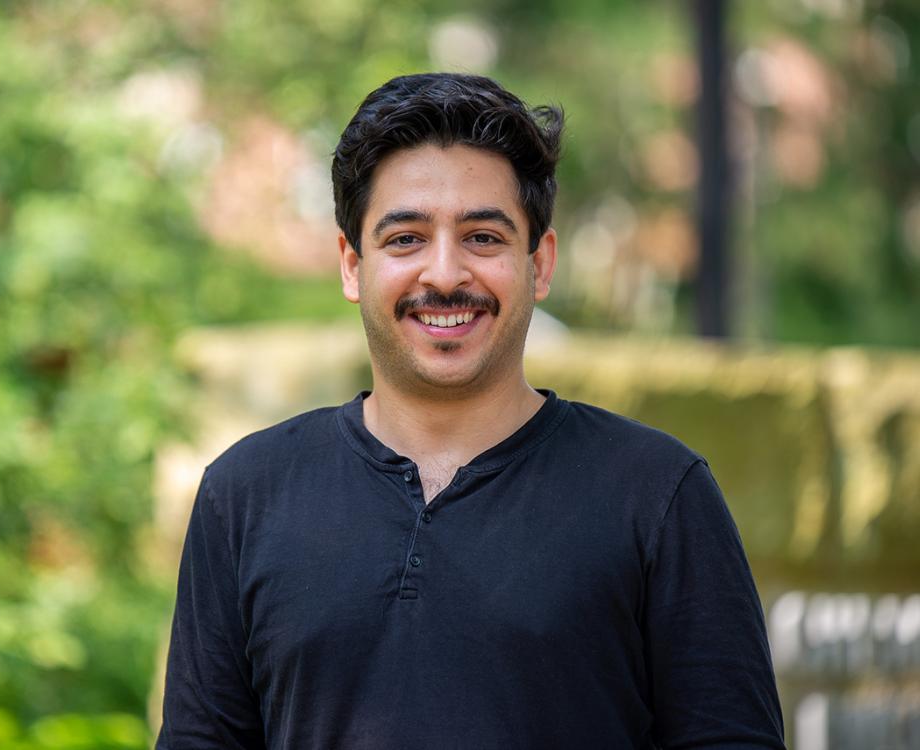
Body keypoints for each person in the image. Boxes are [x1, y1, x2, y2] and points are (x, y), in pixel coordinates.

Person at [157, 73, 785, 749]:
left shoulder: (658, 495)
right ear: (351, 264)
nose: (445, 274)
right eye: (405, 239)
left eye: (483, 237)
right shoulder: (245, 495)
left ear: (539, 264)